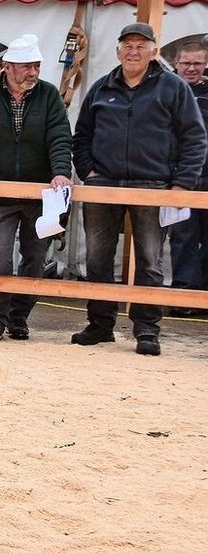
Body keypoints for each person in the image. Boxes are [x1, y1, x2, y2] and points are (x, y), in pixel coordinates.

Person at [70, 23, 207, 356]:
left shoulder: (174, 87)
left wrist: (181, 184)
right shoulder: (101, 88)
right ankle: (100, 324)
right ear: (118, 51)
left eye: (141, 46)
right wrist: (89, 172)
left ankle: (147, 328)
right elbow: (82, 135)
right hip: (104, 185)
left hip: (153, 185)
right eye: (128, 46)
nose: (134, 52)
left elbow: (194, 137)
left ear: (154, 51)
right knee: (97, 258)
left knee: (150, 260)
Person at [0, 34, 72, 340]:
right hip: (0, 191)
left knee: (35, 257)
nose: (34, 72)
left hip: (40, 194)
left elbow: (60, 136)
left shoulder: (48, 95)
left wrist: (61, 172)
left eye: (37, 66)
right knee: (0, 256)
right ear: (8, 67)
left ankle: (19, 317)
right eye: (27, 66)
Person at [167, 38, 208, 312]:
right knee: (183, 236)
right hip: (180, 177)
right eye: (186, 63)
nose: (191, 68)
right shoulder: (167, 91)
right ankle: (183, 294)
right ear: (176, 63)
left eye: (197, 63)